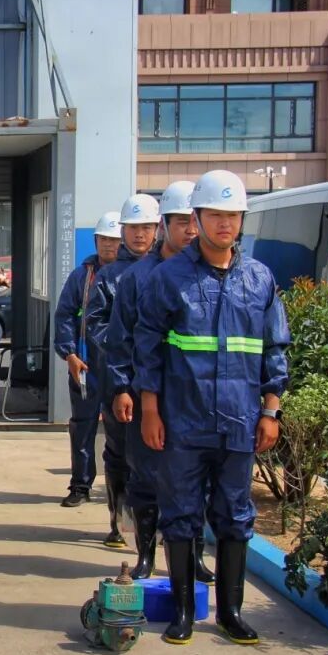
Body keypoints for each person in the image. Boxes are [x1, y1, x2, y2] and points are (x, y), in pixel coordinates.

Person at [134, 169, 289, 646]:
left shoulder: (259, 279)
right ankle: (182, 612)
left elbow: (274, 349)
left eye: (233, 215)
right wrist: (150, 410)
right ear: (197, 218)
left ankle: (231, 613)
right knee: (180, 513)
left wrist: (271, 410)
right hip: (183, 421)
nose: (225, 224)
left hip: (240, 422)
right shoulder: (169, 278)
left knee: (235, 515)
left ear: (242, 220)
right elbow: (148, 347)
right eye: (215, 215)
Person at [105, 181, 214, 583]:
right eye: (181, 221)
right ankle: (146, 555)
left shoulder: (209, 276)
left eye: (194, 221)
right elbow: (120, 339)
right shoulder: (137, 278)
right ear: (164, 225)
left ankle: (193, 556)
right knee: (145, 476)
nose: (190, 230)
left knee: (197, 481)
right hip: (147, 393)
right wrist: (121, 387)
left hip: (196, 395)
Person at [84, 194, 160, 548]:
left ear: (157, 229)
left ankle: (156, 528)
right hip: (120, 379)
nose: (140, 234)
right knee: (119, 452)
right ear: (123, 231)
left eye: (146, 227)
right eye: (133, 228)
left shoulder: (169, 271)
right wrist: (123, 347)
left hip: (161, 381)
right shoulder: (109, 276)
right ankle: (119, 521)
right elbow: (95, 322)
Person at [53, 211, 121, 508]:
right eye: (104, 239)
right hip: (86, 365)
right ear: (96, 241)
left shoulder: (131, 275)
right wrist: (69, 354)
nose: (109, 245)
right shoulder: (81, 277)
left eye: (114, 239)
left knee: (121, 431)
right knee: (82, 426)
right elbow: (64, 315)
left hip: (120, 367)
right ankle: (80, 485)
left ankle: (121, 493)